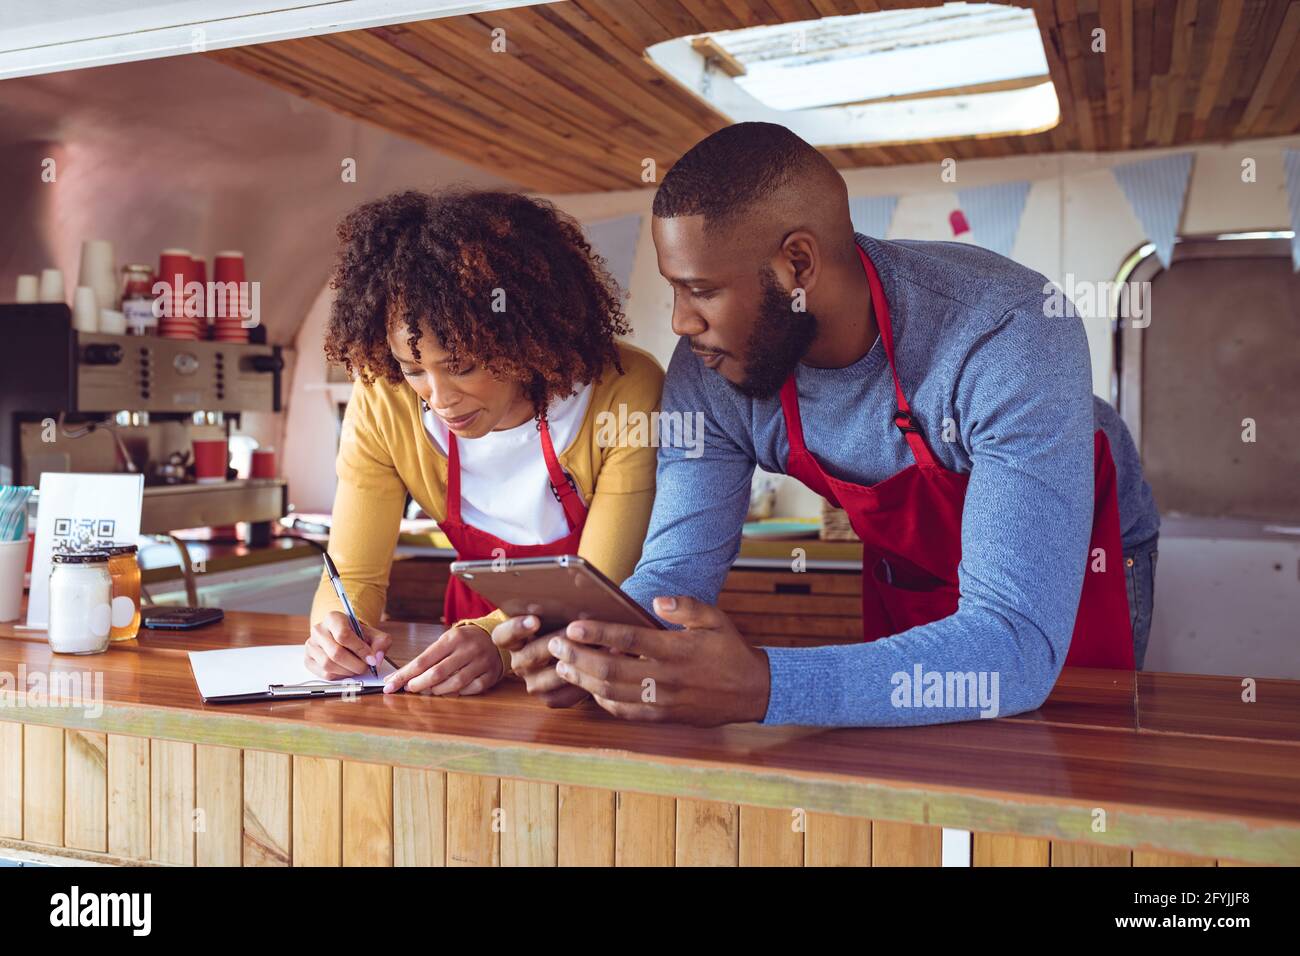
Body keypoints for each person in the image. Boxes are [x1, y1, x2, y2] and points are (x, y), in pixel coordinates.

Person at [498, 122, 1159, 726]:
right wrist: (599, 649)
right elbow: (675, 572)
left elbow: (1013, 647)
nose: (680, 322)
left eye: (700, 290)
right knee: (912, 750)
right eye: (675, 288)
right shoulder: (709, 367)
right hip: (914, 567)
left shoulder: (1008, 329)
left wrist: (766, 686)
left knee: (1070, 745)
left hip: (1079, 552)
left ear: (799, 265)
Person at [307, 189, 662, 699]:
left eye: (462, 366)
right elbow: (352, 575)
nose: (440, 398)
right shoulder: (382, 397)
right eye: (414, 370)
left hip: (595, 666)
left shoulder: (624, 389)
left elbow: (600, 587)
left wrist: (495, 642)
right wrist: (335, 631)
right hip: (468, 659)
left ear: (523, 337)